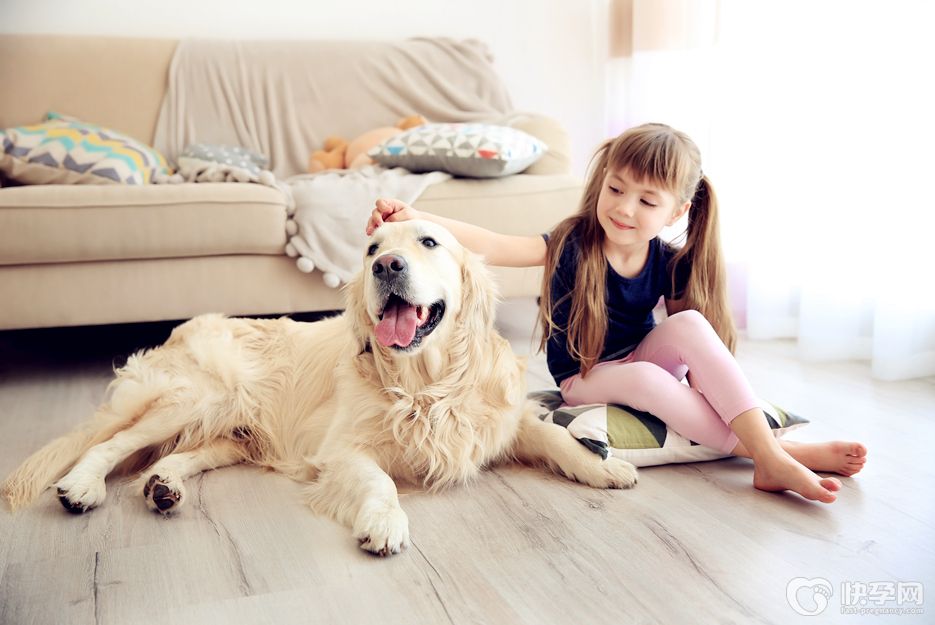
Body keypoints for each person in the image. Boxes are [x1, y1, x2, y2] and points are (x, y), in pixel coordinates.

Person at [366, 122, 867, 504]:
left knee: (688, 325)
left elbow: (688, 350)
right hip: (586, 377)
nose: (624, 208)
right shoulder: (572, 242)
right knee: (648, 378)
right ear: (602, 182)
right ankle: (775, 455)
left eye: (646, 200)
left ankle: (768, 455)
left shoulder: (669, 263)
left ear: (675, 212)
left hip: (642, 362)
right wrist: (418, 218)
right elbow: (496, 244)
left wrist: (700, 391)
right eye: (616, 189)